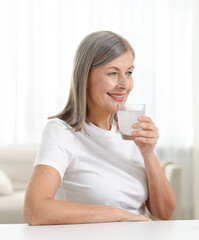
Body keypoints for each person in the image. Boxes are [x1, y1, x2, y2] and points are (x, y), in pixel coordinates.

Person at [23, 31, 176, 225]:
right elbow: (35, 210)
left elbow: (164, 212)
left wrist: (148, 153)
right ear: (84, 78)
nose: (124, 85)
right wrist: (117, 214)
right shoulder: (61, 132)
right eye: (113, 73)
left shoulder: (130, 130)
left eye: (128, 73)